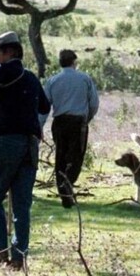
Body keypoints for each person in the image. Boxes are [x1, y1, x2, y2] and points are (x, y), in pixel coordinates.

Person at [0, 31, 50, 269]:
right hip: (30, 144)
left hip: (8, 143)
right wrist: (34, 126)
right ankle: (18, 258)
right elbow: (45, 106)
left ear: (10, 52)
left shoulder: (0, 72)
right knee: (21, 205)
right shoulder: (30, 77)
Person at [40, 49, 99, 208]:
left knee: (61, 155)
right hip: (78, 122)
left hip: (59, 122)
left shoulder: (53, 81)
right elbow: (94, 103)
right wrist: (87, 118)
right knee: (76, 156)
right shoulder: (84, 78)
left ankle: (64, 190)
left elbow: (44, 107)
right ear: (74, 62)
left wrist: (39, 126)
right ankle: (68, 185)